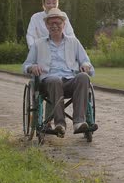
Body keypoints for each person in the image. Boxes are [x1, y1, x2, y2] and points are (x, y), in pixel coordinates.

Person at [23, 8, 95, 137]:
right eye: (51, 23)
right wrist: (32, 67)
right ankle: (59, 124)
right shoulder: (38, 44)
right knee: (55, 80)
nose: (55, 26)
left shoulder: (74, 42)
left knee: (83, 77)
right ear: (46, 25)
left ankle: (79, 122)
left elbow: (86, 61)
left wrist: (85, 65)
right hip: (48, 82)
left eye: (58, 23)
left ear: (64, 24)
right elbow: (26, 65)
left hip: (69, 81)